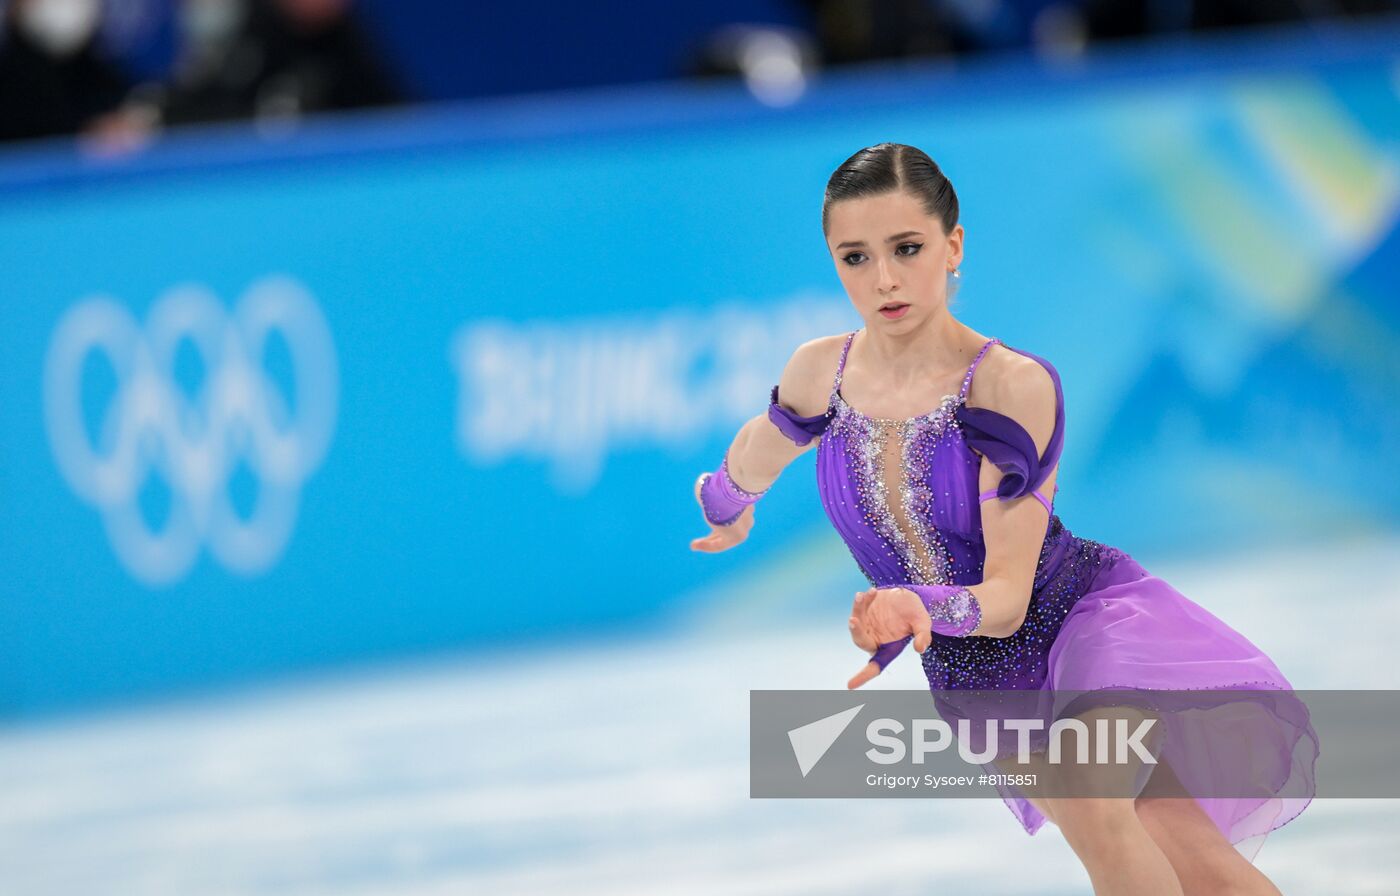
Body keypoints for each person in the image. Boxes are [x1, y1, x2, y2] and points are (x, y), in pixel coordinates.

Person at [689, 143, 1315, 895]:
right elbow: (755, 454)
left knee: (1099, 814)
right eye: (856, 257)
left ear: (953, 246)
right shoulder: (821, 371)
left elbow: (1009, 599)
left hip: (1076, 621)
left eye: (907, 248)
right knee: (1189, 852)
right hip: (976, 676)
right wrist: (726, 506)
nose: (883, 278)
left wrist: (913, 606)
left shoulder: (1009, 386)